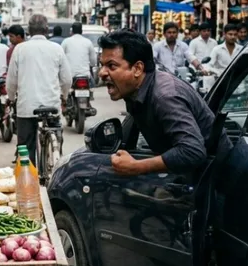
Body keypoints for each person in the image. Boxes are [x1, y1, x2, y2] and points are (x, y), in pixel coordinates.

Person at [97, 28, 231, 177]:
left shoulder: (164, 96)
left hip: (226, 180)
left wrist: (137, 167)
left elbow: (192, 151)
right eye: (102, 65)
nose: (102, 73)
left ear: (137, 69)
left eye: (111, 66)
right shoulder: (137, 92)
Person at [6, 14, 71, 164]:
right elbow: (67, 80)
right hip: (51, 105)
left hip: (26, 107)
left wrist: (11, 98)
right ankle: (55, 159)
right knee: (57, 139)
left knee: (26, 148)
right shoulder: (57, 49)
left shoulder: (19, 49)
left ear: (28, 30)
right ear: (47, 29)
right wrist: (65, 96)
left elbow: (11, 81)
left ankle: (29, 179)